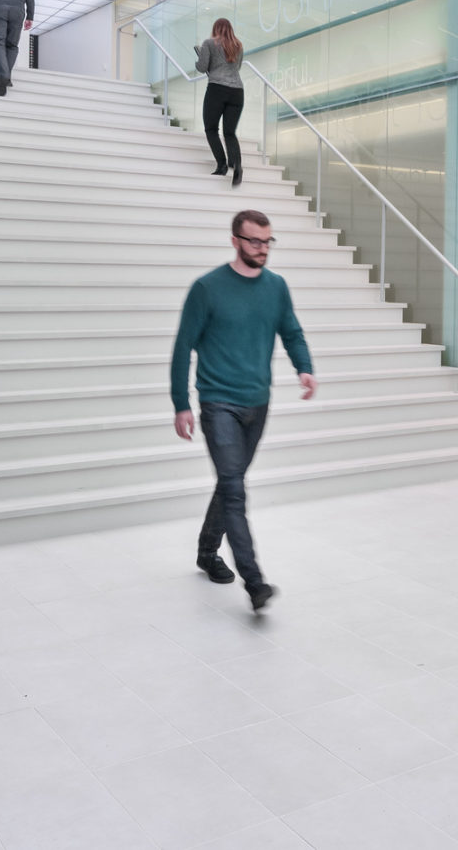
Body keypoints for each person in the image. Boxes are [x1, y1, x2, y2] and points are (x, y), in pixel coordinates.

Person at [170, 207, 316, 612]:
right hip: (219, 403)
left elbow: (291, 330)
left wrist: (304, 367)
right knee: (235, 490)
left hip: (258, 402)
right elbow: (183, 346)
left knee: (229, 482)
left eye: (268, 241)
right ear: (235, 240)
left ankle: (206, 551)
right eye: (254, 240)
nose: (262, 248)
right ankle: (255, 582)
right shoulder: (207, 288)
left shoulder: (277, 287)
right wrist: (181, 404)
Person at [195, 17, 246, 186]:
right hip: (237, 91)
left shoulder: (209, 43)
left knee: (211, 129)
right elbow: (236, 67)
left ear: (215, 28)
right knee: (229, 132)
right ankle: (237, 165)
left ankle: (222, 165)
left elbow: (202, 67)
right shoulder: (238, 45)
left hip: (217, 89)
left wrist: (199, 57)